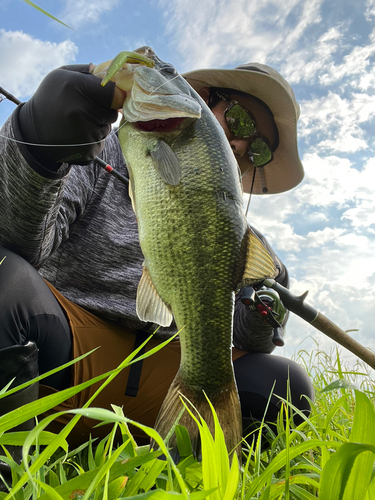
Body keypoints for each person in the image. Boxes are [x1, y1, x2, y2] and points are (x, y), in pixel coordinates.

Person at [0, 54, 313, 475]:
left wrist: (263, 314)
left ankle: (188, 466)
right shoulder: (93, 149)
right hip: (65, 360)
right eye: (238, 120)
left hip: (163, 384)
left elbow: (242, 339)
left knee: (287, 385)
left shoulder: (246, 245)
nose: (241, 144)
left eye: (257, 147)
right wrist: (38, 144)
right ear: (202, 100)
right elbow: (17, 241)